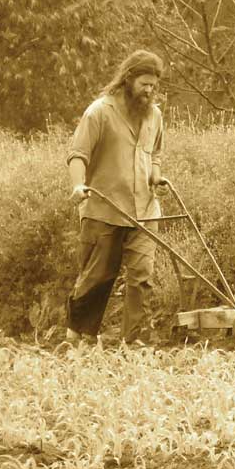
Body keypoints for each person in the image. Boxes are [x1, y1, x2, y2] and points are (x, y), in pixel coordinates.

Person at [65, 50, 169, 345]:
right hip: (103, 208)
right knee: (97, 276)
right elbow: (78, 154)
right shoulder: (100, 112)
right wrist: (77, 186)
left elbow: (156, 153)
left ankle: (131, 342)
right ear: (128, 79)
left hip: (145, 209)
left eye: (153, 85)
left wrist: (156, 175)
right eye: (143, 84)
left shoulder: (155, 115)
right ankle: (76, 337)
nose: (148, 91)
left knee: (142, 276)